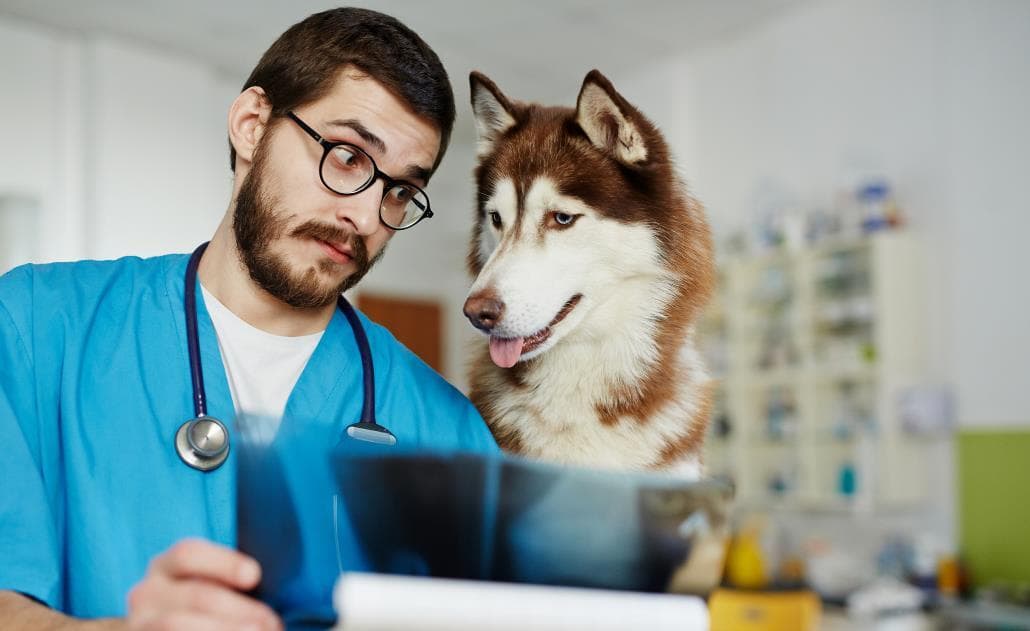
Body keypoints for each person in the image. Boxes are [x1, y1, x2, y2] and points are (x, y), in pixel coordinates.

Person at [0, 7, 498, 629]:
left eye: (400, 191)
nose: (367, 217)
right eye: (347, 157)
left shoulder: (449, 436)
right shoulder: (35, 328)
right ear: (251, 125)